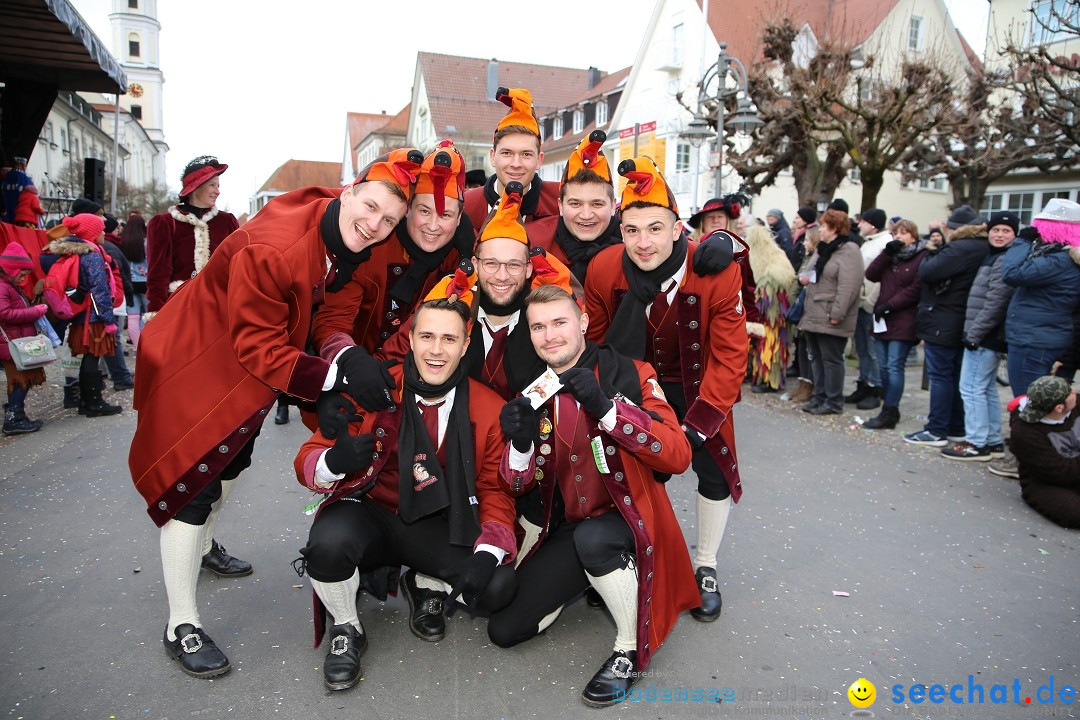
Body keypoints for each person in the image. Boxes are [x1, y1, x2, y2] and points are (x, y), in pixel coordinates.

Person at [128, 150, 419, 679]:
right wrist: (337, 378)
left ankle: (204, 543)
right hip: (194, 362)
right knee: (191, 488)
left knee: (231, 466)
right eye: (371, 207)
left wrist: (343, 354)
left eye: (389, 220)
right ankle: (181, 624)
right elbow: (259, 348)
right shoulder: (275, 247)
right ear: (348, 190)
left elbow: (331, 303)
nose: (375, 225)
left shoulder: (342, 231)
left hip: (249, 372)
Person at [296, 290, 517, 691]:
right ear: (411, 340)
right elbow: (308, 458)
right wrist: (334, 463)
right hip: (369, 511)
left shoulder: (488, 408)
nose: (436, 350)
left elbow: (495, 490)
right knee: (327, 546)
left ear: (465, 345)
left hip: (435, 522)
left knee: (497, 586)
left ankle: (423, 582)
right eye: (427, 337)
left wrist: (489, 551)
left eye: (449, 339)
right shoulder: (376, 389)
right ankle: (346, 627)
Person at [490, 285, 698, 706]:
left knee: (595, 540)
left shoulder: (632, 373)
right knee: (505, 630)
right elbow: (516, 488)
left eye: (560, 323)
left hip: (630, 519)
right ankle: (590, 582)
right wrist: (521, 446)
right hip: (570, 528)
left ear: (583, 321)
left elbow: (677, 456)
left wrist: (607, 410)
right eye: (538, 327)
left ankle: (628, 651)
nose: (550, 336)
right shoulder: (533, 393)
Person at [584, 157, 747, 623]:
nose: (643, 242)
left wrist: (699, 424)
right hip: (635, 383)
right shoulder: (603, 268)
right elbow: (595, 342)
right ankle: (629, 554)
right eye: (631, 230)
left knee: (712, 471)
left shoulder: (715, 271)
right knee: (627, 470)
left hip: (698, 385)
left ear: (678, 229)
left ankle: (707, 566)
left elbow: (730, 356)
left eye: (655, 228)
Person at [904, 206, 989, 447]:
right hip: (962, 318)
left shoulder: (959, 248)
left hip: (945, 318)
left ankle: (936, 430)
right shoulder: (982, 247)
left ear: (953, 229)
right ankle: (955, 427)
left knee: (941, 376)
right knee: (954, 376)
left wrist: (932, 252)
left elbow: (928, 272)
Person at [941, 212, 1018, 460]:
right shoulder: (995, 256)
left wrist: (974, 334)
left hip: (985, 334)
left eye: (1006, 231)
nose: (999, 234)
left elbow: (996, 301)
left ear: (1015, 234)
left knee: (971, 388)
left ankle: (976, 442)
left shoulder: (1005, 259)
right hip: (985, 333)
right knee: (985, 389)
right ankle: (992, 440)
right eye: (996, 230)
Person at [40, 213, 123, 417]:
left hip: (80, 313)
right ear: (92, 233)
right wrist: (107, 318)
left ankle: (86, 401)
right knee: (93, 357)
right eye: (100, 229)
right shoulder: (92, 255)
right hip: (92, 316)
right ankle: (94, 402)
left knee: (89, 356)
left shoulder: (74, 252)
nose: (104, 232)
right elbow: (99, 289)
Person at [463, 87, 560, 257]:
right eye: (507, 153)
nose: (516, 164)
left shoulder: (560, 202)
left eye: (526, 154)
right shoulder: (467, 206)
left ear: (539, 160)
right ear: (493, 156)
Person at [144, 156, 240, 318]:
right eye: (212, 185)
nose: (217, 191)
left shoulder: (227, 221)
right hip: (179, 309)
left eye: (218, 185)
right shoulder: (165, 223)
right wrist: (157, 314)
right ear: (196, 187)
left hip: (219, 309)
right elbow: (157, 274)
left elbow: (238, 266)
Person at [796, 208, 864, 415]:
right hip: (814, 312)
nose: (821, 230)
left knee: (831, 359)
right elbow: (815, 272)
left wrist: (837, 313)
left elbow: (849, 286)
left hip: (830, 314)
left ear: (834, 228)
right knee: (815, 357)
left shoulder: (849, 250)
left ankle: (833, 401)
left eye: (824, 226)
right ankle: (819, 396)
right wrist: (805, 277)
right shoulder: (824, 248)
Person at [862, 219, 925, 429]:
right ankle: (888, 407)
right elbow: (871, 274)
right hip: (883, 319)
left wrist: (890, 305)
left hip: (903, 317)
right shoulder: (891, 257)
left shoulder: (920, 256)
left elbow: (915, 289)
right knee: (883, 366)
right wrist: (886, 253)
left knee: (894, 365)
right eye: (896, 233)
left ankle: (890, 409)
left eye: (904, 233)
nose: (899, 237)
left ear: (913, 236)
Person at [1007, 375, 1079, 528]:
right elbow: (1060, 473)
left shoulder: (1076, 403)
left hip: (1074, 467)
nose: (1074, 391)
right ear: (1059, 408)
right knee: (1073, 512)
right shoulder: (1024, 433)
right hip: (1047, 481)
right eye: (1070, 392)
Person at [553, 131, 623, 284]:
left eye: (597, 204)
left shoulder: (634, 252)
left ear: (613, 206)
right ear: (560, 206)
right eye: (575, 204)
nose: (586, 215)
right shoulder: (541, 246)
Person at [0, 241, 49, 434]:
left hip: (16, 340)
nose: (23, 277)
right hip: (11, 343)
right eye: (21, 273)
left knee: (23, 379)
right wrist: (35, 311)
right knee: (19, 379)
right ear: (10, 269)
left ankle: (16, 414)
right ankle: (13, 418)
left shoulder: (9, 286)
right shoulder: (3, 287)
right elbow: (5, 314)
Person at [846, 208, 891, 411]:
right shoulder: (869, 242)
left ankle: (876, 387)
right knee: (862, 348)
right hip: (861, 301)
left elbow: (881, 278)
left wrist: (870, 302)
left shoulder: (884, 243)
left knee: (872, 350)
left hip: (870, 303)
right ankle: (863, 383)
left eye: (863, 222)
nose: (860, 225)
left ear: (872, 224)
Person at [744, 223, 796, 392]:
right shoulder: (774, 256)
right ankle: (754, 374)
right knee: (760, 343)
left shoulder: (772, 264)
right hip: (763, 312)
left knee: (771, 345)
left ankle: (769, 381)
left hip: (773, 314)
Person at [100, 214, 135, 391]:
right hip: (112, 302)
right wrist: (128, 291)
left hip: (109, 301)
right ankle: (120, 376)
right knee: (113, 340)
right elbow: (117, 274)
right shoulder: (109, 248)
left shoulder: (107, 247)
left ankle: (108, 373)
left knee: (108, 340)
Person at [119, 211, 148, 351]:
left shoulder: (122, 241)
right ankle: (146, 344)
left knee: (132, 316)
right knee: (148, 316)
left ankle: (137, 346)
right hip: (146, 281)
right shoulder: (147, 241)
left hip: (129, 282)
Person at [1, 157, 33, 225]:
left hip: (5, 215)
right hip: (20, 217)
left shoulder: (5, 178)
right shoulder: (25, 179)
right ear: (22, 165)